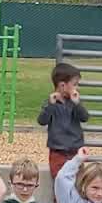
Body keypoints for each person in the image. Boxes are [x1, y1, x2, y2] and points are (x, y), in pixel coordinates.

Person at [38, 63, 88, 193]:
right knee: (60, 185)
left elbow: (84, 117)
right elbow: (42, 121)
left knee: (79, 185)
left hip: (75, 151)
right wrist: (50, 105)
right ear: (62, 85)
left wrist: (77, 104)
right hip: (58, 152)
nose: (77, 88)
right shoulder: (51, 103)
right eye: (75, 84)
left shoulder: (74, 102)